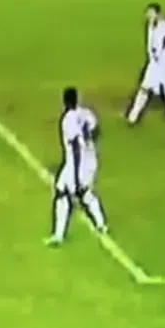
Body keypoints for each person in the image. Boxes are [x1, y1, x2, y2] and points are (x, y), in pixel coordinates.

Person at [48, 87, 108, 246]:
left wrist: (75, 175)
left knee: (70, 193)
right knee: (75, 192)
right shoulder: (87, 113)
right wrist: (89, 146)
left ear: (65, 101)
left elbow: (75, 146)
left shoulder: (68, 120)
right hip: (90, 159)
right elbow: (97, 132)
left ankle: (59, 235)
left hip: (76, 163)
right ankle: (100, 224)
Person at [126, 3, 165, 143]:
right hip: (154, 66)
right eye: (148, 13)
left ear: (157, 14)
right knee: (143, 90)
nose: (148, 15)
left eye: (151, 13)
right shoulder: (150, 26)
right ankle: (132, 118)